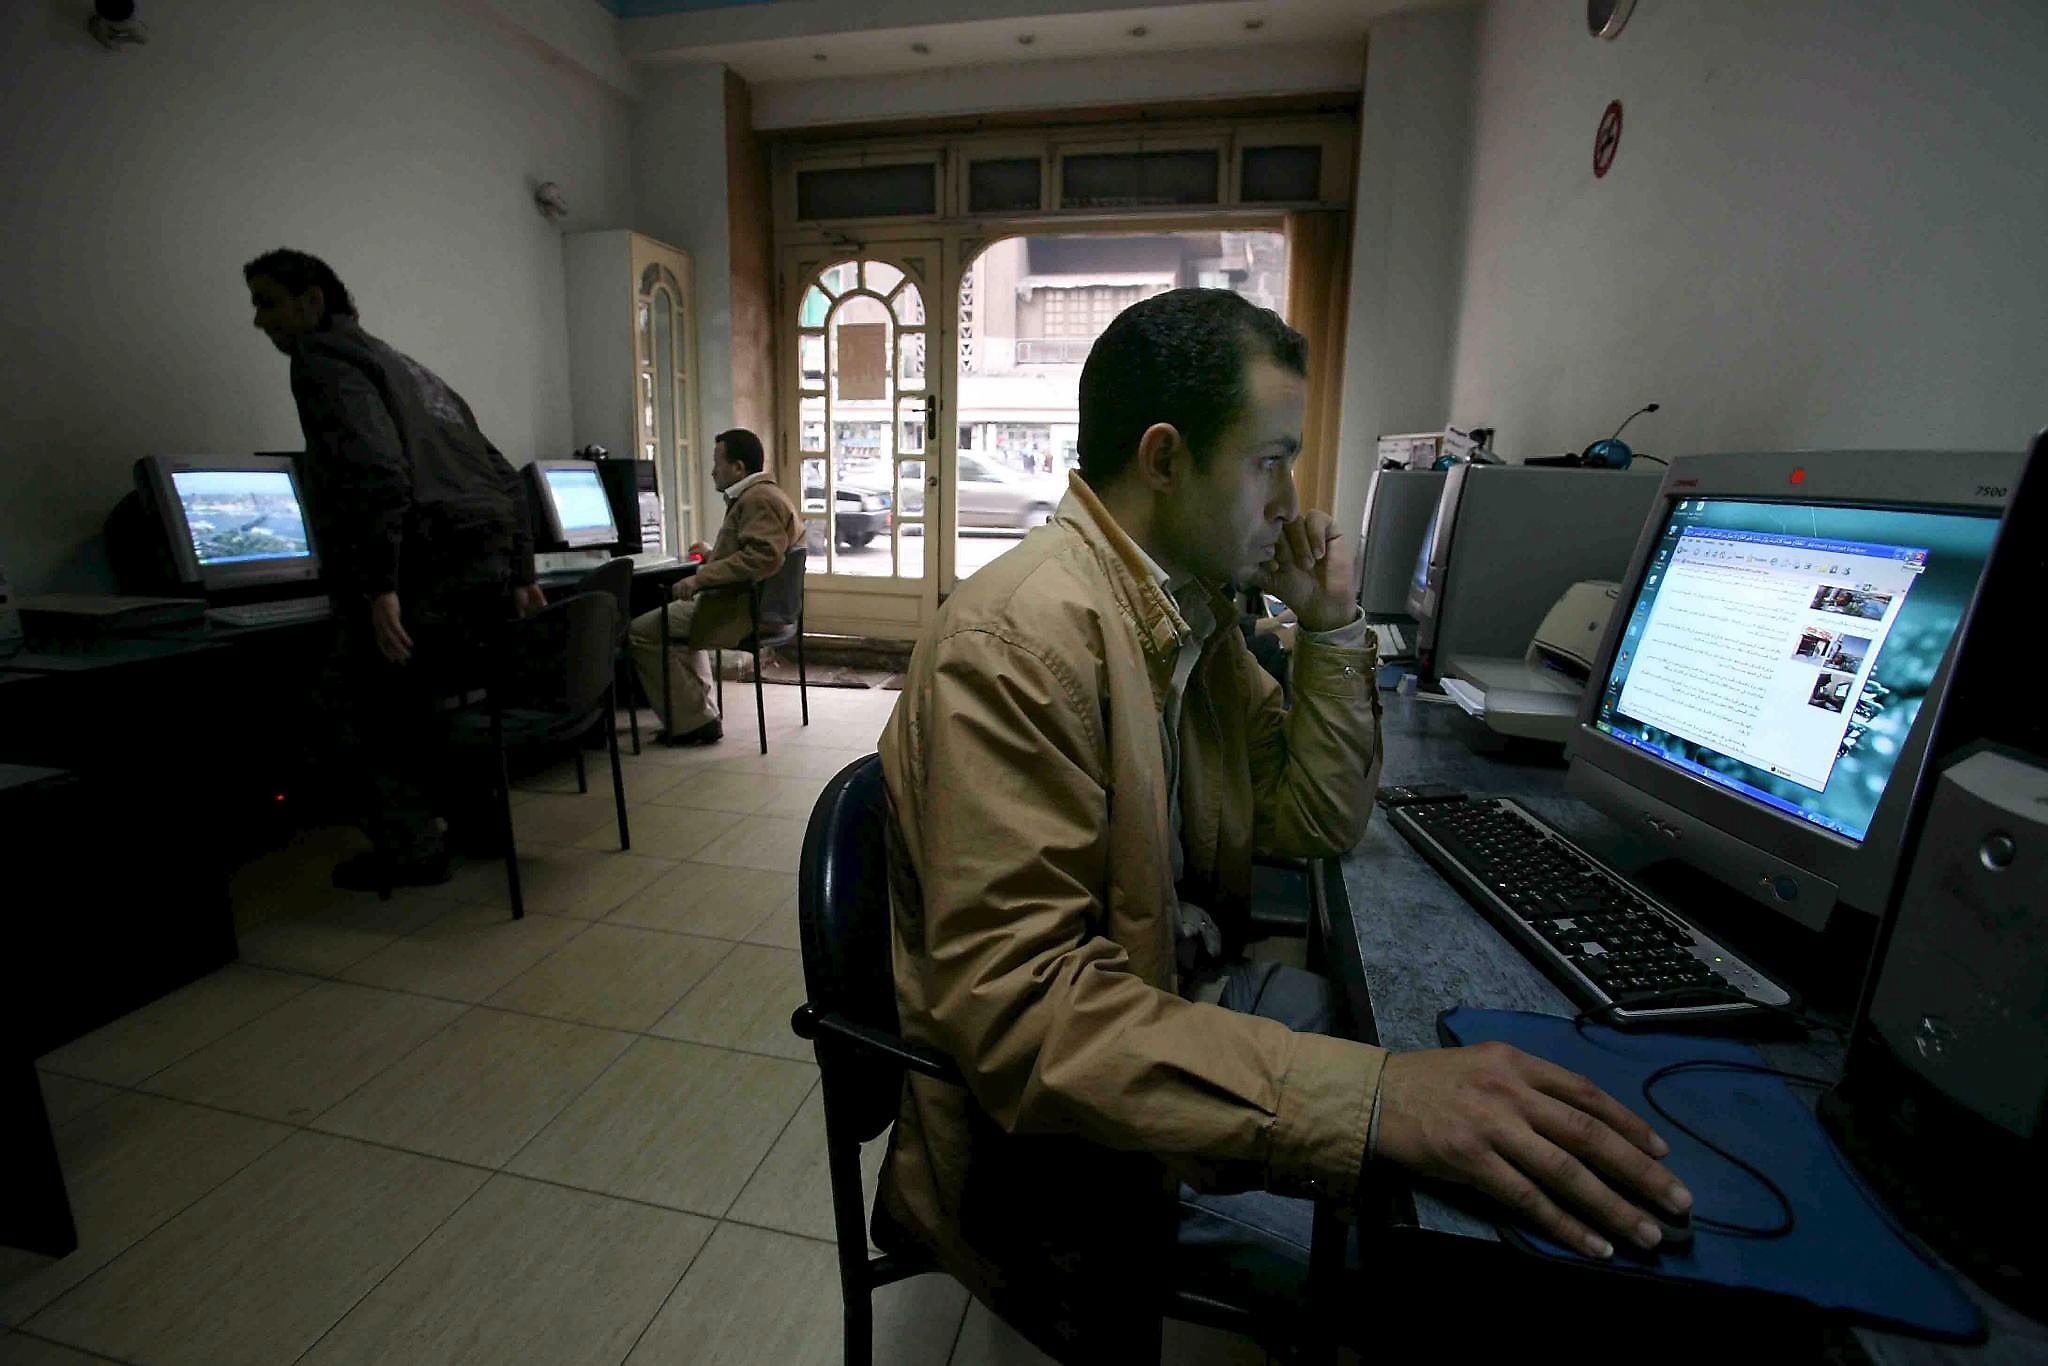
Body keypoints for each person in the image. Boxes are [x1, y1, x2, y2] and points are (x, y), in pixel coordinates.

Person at [876, 289, 1691, 1356]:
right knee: (1455, 1275)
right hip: (1056, 1164)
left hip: (1158, 1003)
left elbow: (1311, 815)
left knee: (1450, 1120)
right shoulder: (1019, 643)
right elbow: (1027, 1023)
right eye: (1270, 460)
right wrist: (1374, 1102)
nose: (1292, 500)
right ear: (1163, 460)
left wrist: (1330, 625)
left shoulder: (1188, 616)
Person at [245, 248, 543, 890]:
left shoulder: (321, 361)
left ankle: (410, 848)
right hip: (480, 564)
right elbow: (504, 475)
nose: (258, 321)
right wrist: (520, 571)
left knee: (347, 704)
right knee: (443, 697)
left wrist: (379, 585)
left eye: (267, 302)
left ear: (311, 302)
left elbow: (376, 471)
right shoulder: (408, 368)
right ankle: (481, 827)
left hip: (424, 565)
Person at [627, 428, 799, 745]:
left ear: (738, 468)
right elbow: (754, 550)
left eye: (717, 462)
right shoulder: (764, 495)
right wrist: (712, 555)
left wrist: (700, 578)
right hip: (746, 604)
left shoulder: (757, 500)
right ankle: (698, 715)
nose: (712, 471)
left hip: (738, 610)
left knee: (642, 631)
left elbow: (762, 556)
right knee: (672, 628)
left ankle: (694, 721)